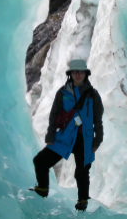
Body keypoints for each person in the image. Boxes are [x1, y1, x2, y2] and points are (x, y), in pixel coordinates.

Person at [31, 59, 104, 211]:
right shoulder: (63, 93)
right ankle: (42, 189)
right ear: (70, 74)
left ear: (85, 74)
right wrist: (50, 135)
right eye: (75, 72)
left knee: (82, 172)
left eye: (81, 72)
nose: (78, 74)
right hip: (65, 137)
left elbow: (98, 120)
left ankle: (83, 201)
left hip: (85, 139)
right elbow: (54, 114)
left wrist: (98, 140)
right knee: (40, 161)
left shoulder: (93, 95)